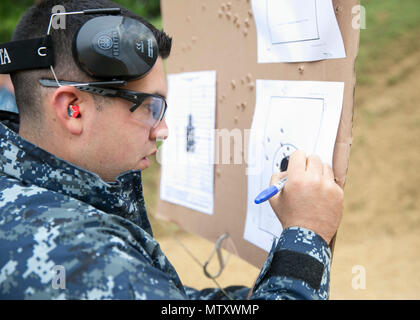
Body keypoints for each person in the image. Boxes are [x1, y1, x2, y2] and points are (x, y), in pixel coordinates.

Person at [0, 0, 343, 300]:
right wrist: (306, 233)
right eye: (150, 107)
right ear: (73, 108)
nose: (163, 129)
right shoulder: (80, 253)